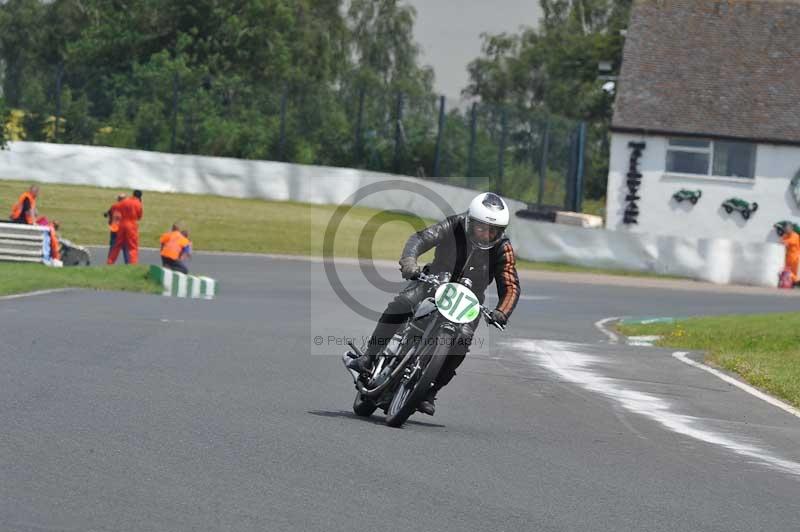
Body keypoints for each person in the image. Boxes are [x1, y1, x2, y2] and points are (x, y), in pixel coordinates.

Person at [347, 192, 521, 415]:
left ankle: (431, 390)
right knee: (403, 302)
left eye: (493, 230)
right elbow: (421, 238)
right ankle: (369, 357)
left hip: (468, 300)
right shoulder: (455, 224)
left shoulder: (502, 248)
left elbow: (510, 283)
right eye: (481, 228)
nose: (487, 234)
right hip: (434, 281)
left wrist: (502, 312)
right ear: (470, 221)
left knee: (463, 340)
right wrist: (410, 261)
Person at [107, 189, 143, 265]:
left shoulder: (125, 201)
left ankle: (110, 262)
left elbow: (115, 207)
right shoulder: (138, 203)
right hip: (131, 226)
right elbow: (139, 216)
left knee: (116, 245)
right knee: (132, 247)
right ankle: (132, 264)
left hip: (120, 225)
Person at [105, 194, 127, 263]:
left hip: (114, 228)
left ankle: (110, 261)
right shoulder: (127, 207)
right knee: (125, 246)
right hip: (123, 228)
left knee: (112, 245)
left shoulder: (114, 206)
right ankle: (127, 262)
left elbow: (107, 214)